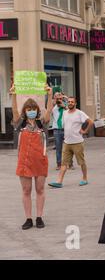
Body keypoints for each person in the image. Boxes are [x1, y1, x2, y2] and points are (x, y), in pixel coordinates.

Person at [10, 83, 53, 230]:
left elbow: (49, 111)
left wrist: (50, 94)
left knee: (40, 189)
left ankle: (39, 217)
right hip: (24, 162)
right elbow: (14, 111)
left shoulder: (42, 124)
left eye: (34, 109)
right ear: (25, 111)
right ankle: (28, 219)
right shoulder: (20, 123)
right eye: (29, 109)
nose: (32, 111)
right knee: (26, 190)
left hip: (40, 161)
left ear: (37, 110)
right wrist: (14, 94)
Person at [48, 97, 93, 188]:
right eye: (69, 102)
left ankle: (84, 179)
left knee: (81, 162)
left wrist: (85, 131)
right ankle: (59, 181)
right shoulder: (64, 113)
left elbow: (90, 121)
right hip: (67, 142)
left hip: (77, 142)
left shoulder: (80, 113)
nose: (70, 103)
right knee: (63, 163)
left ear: (75, 103)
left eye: (72, 102)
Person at [51, 92, 66, 170]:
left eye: (60, 98)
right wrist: (53, 102)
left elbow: (72, 111)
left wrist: (64, 104)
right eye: (57, 98)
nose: (59, 100)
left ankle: (69, 163)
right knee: (58, 148)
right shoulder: (53, 108)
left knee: (68, 147)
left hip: (66, 129)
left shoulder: (66, 106)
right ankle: (59, 164)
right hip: (57, 130)